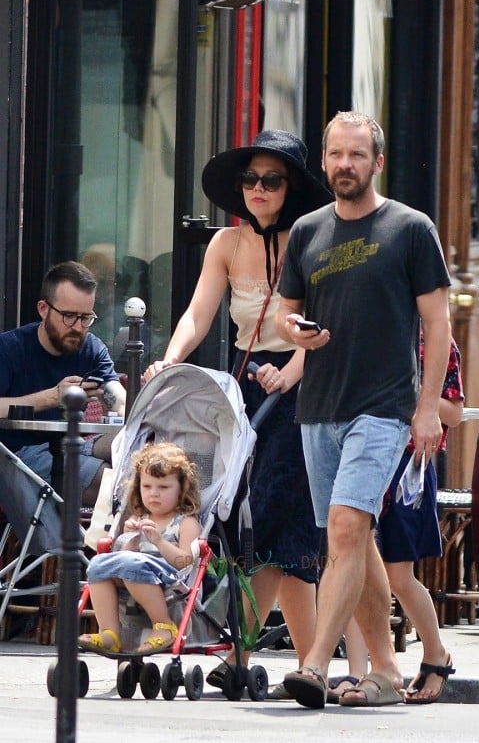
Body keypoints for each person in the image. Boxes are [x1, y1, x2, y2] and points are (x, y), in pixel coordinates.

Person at [144, 130, 332, 694]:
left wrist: (291, 371)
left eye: (271, 180)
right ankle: (307, 667)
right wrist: (169, 362)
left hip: (304, 382)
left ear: (291, 186)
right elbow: (199, 314)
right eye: (249, 179)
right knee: (249, 523)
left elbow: (322, 324)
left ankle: (258, 657)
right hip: (245, 389)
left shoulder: (312, 237)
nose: (258, 189)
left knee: (277, 520)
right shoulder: (224, 244)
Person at [275, 111, 453, 709]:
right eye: (335, 155)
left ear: (377, 161)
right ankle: (384, 670)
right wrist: (294, 331)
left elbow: (437, 322)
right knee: (354, 542)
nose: (344, 165)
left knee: (349, 530)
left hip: (383, 407)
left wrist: (427, 409)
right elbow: (285, 309)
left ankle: (317, 666)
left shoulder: (410, 228)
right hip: (318, 406)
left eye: (356, 155)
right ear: (323, 161)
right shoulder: (306, 230)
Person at [331, 333, 463, 705]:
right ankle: (359, 671)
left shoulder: (436, 341)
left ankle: (436, 655)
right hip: (364, 456)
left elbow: (453, 411)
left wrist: (412, 397)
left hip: (409, 465)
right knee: (354, 563)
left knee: (399, 576)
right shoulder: (371, 331)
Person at [0, 260, 126, 506]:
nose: (78, 327)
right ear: (43, 309)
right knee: (113, 483)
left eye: (86, 317)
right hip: (18, 456)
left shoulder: (91, 348)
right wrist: (53, 397)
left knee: (142, 454)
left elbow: (116, 395)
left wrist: (130, 411)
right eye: (68, 316)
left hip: (73, 445)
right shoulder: (10, 349)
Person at [78, 441, 201, 655]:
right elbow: (127, 557)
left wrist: (159, 542)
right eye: (147, 486)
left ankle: (163, 626)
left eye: (163, 487)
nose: (154, 493)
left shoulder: (185, 522)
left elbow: (187, 562)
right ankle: (110, 632)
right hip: (135, 573)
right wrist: (131, 539)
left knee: (131, 564)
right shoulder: (140, 518)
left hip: (171, 577)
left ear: (182, 489)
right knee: (98, 564)